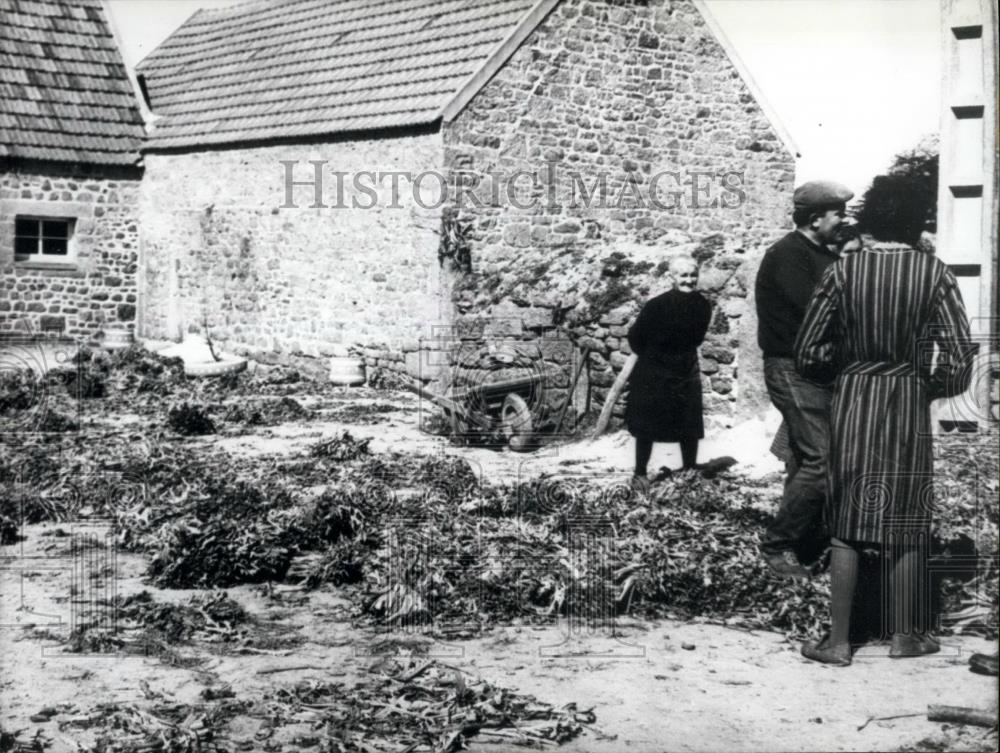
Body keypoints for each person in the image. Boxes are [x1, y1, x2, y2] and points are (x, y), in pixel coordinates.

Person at [795, 243, 973, 665]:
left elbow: (807, 351)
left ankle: (838, 642)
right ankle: (905, 637)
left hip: (854, 397)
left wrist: (844, 375)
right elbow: (961, 359)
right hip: (908, 397)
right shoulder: (934, 273)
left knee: (846, 518)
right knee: (907, 516)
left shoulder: (841, 272)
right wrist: (928, 386)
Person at [754, 180, 853, 577]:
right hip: (791, 368)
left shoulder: (819, 255)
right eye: (838, 214)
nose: (843, 220)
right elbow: (819, 312)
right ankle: (777, 546)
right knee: (823, 458)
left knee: (802, 456)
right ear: (816, 219)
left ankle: (807, 536)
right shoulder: (788, 256)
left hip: (815, 369)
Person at [625, 255, 712, 493]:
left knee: (688, 420)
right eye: (683, 275)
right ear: (671, 277)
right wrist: (655, 359)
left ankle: (689, 469)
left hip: (685, 367)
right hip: (655, 369)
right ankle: (640, 473)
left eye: (693, 275)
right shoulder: (656, 305)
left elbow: (697, 337)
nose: (689, 280)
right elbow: (636, 338)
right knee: (648, 423)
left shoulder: (703, 305)